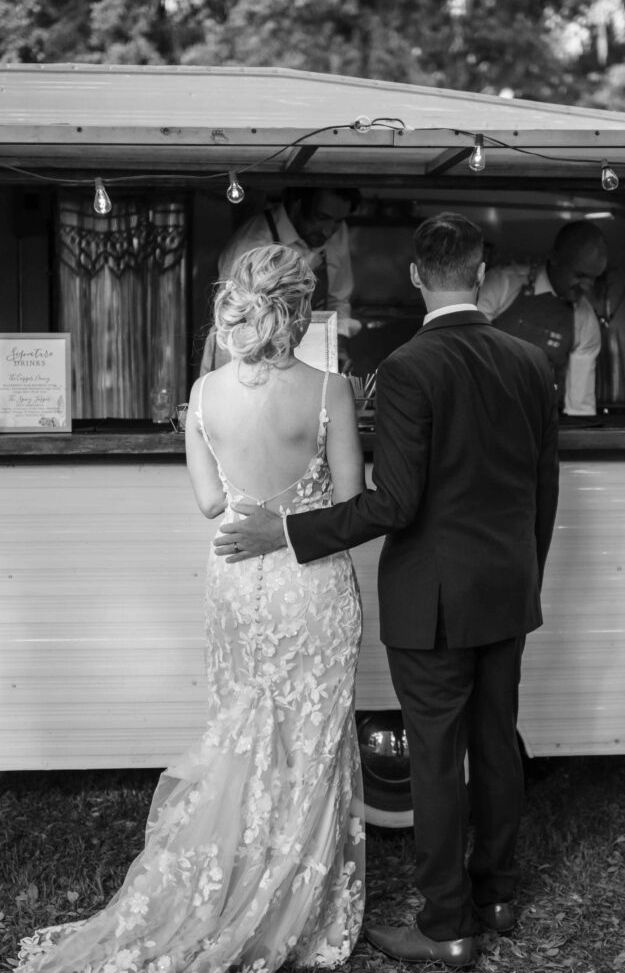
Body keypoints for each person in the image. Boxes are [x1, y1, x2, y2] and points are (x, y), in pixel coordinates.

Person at [216, 213, 560, 969]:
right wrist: (522, 569)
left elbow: (394, 503)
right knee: (495, 743)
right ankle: (497, 895)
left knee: (436, 757)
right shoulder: (531, 363)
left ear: (414, 276)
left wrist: (291, 534)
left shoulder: (408, 368)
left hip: (431, 598)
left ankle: (446, 925)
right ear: (478, 271)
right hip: (507, 587)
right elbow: (544, 489)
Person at [16, 245, 366, 973]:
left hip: (237, 575)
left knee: (244, 731)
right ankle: (292, 904)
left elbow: (211, 503)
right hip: (312, 582)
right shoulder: (332, 388)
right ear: (301, 310)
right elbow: (349, 503)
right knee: (310, 742)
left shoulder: (203, 395)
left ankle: (230, 882)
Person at [200, 187, 362, 375]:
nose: (328, 230)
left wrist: (338, 347)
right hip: (245, 356)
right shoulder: (253, 244)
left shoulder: (336, 231)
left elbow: (338, 299)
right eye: (321, 217)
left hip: (306, 357)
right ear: (297, 205)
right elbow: (234, 321)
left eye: (338, 221)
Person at [477, 220, 607, 415]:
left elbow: (580, 407)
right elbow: (465, 350)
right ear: (554, 258)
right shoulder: (501, 284)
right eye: (580, 275)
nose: (587, 286)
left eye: (593, 278)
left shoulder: (585, 320)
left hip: (538, 424)